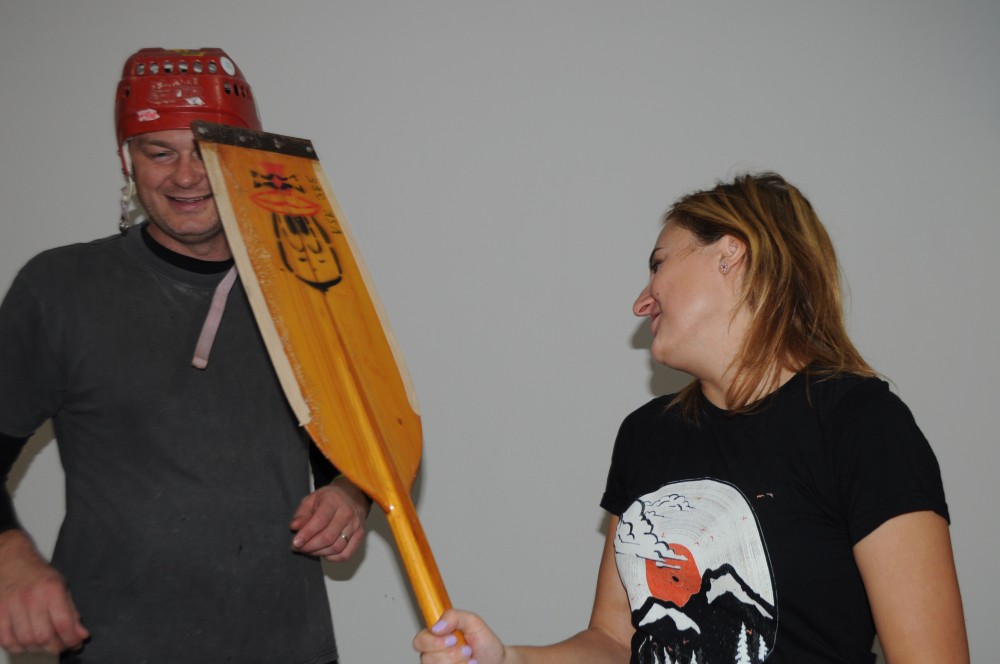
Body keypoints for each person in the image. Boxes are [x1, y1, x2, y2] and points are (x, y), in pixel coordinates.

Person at [413, 172, 969, 663]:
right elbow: (615, 642)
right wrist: (509, 660)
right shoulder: (645, 435)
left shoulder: (862, 424)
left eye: (658, 264)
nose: (641, 302)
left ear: (731, 255)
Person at [0, 48, 370, 662]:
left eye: (205, 151)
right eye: (160, 152)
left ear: (244, 157)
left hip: (290, 646)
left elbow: (358, 440)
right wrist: (9, 557)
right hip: (115, 647)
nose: (186, 176)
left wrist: (350, 494)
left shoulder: (309, 285)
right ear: (127, 161)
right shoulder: (60, 288)